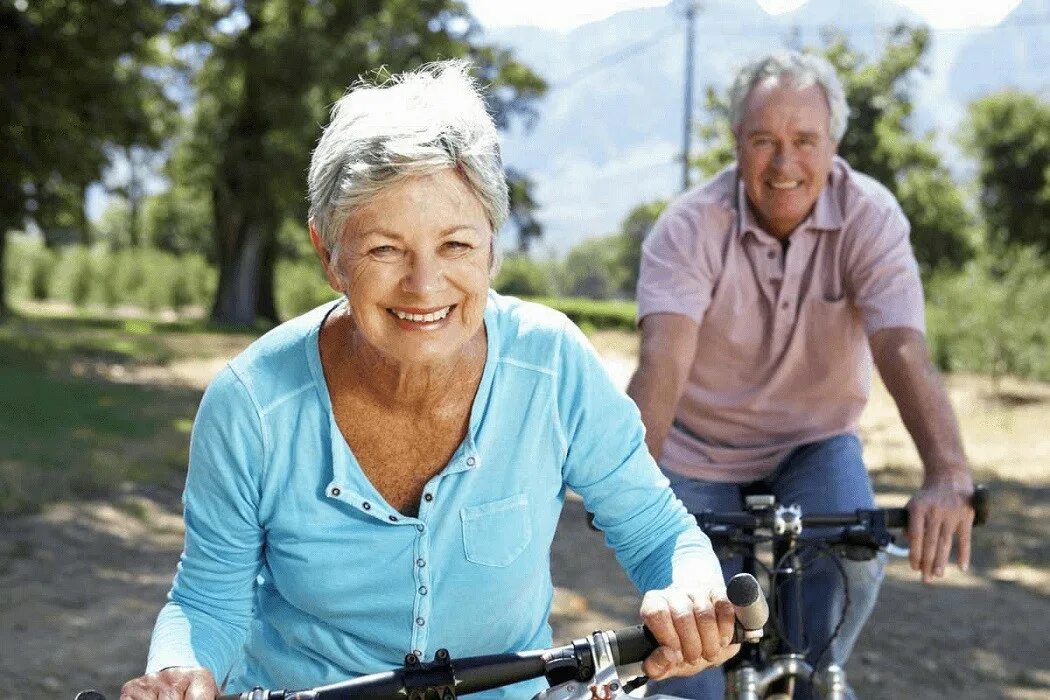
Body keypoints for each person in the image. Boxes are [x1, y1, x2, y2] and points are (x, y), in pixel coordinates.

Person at [118, 61, 738, 700]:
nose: (424, 286)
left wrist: (690, 583)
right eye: (384, 249)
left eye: (456, 247)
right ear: (329, 255)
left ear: (493, 249)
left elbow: (660, 532)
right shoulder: (250, 405)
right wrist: (179, 673)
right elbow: (208, 599)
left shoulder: (552, 365)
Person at [629, 52, 976, 699]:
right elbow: (663, 358)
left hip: (813, 442)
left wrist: (948, 474)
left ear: (834, 144)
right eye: (764, 142)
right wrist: (631, 489)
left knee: (852, 566)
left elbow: (901, 347)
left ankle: (809, 682)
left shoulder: (870, 217)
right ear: (737, 143)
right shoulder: (689, 225)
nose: (784, 165)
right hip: (697, 450)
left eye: (804, 142)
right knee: (691, 646)